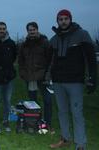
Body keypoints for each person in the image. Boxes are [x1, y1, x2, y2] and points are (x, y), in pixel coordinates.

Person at [49, 9, 97, 150]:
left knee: (76, 113)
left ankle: (80, 144)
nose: (63, 21)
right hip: (58, 82)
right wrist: (48, 77)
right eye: (60, 19)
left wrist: (93, 77)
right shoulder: (54, 39)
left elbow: (91, 59)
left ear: (70, 19)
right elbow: (50, 61)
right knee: (62, 112)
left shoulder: (82, 35)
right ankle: (65, 139)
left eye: (65, 18)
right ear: (57, 21)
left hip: (75, 81)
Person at [18, 22, 54, 133]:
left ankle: (47, 123)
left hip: (43, 77)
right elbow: (21, 61)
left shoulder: (45, 42)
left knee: (47, 100)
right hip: (30, 78)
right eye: (30, 30)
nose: (32, 31)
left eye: (34, 29)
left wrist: (48, 74)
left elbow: (51, 59)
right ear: (27, 31)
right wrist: (23, 73)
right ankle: (35, 122)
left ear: (37, 30)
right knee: (33, 102)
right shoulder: (24, 45)